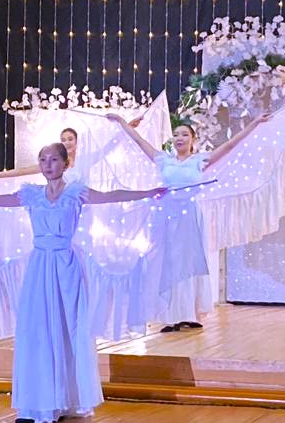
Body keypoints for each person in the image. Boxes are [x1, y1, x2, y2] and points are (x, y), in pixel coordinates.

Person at [0, 142, 168, 423]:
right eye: (43, 160)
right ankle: (33, 404)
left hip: (66, 266)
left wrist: (148, 193)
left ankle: (63, 399)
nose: (48, 165)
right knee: (36, 328)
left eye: (54, 160)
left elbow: (112, 196)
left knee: (65, 328)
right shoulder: (31, 195)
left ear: (65, 163)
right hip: (40, 266)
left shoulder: (76, 192)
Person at [107, 113, 274, 332]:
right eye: (176, 135)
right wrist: (121, 121)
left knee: (189, 263)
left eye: (185, 134)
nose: (180, 138)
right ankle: (170, 315)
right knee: (168, 263)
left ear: (193, 139)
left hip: (190, 216)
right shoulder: (163, 159)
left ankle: (189, 313)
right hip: (167, 216)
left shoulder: (199, 161)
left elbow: (231, 145)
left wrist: (255, 123)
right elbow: (138, 141)